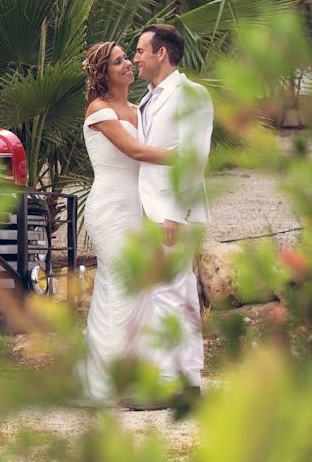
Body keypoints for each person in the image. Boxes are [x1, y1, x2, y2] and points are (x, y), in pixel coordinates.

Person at [77, 41, 175, 404]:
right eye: (118, 62)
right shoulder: (98, 111)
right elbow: (134, 151)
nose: (127, 66)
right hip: (109, 209)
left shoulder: (138, 108)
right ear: (103, 73)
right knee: (120, 286)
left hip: (138, 209)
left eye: (127, 60)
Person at [133, 24, 213, 399]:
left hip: (172, 212)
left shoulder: (192, 95)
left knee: (168, 294)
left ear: (160, 54)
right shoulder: (147, 98)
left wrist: (176, 215)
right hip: (151, 209)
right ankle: (190, 380)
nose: (136, 58)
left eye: (140, 51)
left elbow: (194, 159)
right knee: (178, 294)